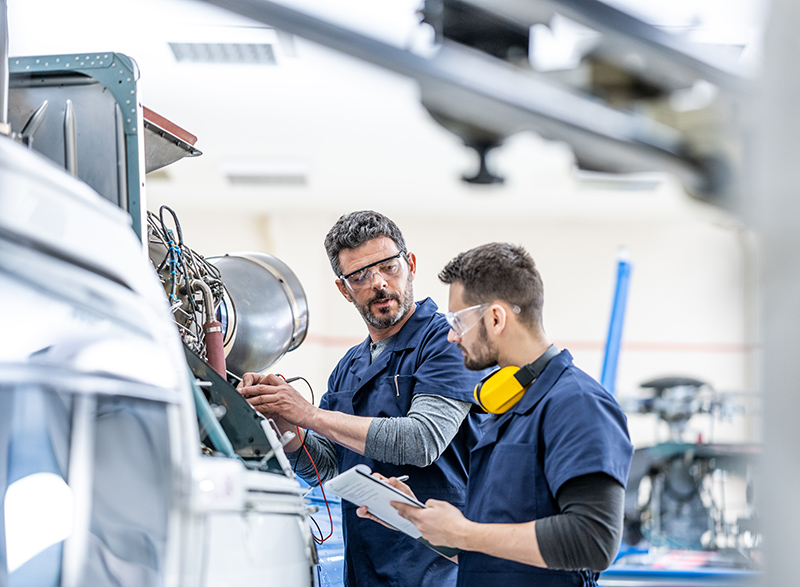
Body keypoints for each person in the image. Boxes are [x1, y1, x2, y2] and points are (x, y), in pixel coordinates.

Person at [358, 242, 634, 587]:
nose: (451, 335)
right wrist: (415, 519)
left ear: (495, 317)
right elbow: (490, 552)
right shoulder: (506, 411)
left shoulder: (576, 403)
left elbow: (594, 539)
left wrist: (465, 532)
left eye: (457, 320)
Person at [237, 210, 487, 587]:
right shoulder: (348, 367)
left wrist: (307, 413)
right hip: (367, 567)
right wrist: (283, 420)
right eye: (360, 276)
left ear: (411, 265)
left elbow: (422, 441)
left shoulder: (447, 342)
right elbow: (326, 469)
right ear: (344, 288)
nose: (380, 284)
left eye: (389, 267)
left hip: (438, 569)